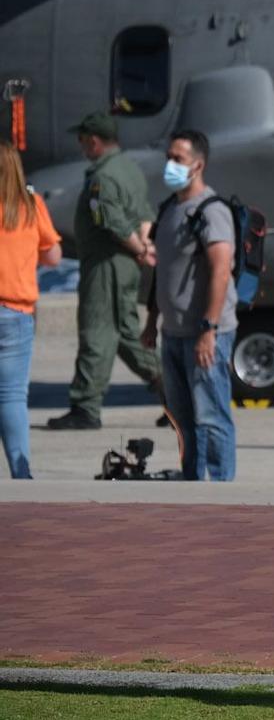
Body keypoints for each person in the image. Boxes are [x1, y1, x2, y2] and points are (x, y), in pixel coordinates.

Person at [47, 112, 163, 432]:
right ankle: (175, 392)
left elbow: (110, 221)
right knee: (126, 335)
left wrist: (138, 248)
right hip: (124, 265)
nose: (81, 146)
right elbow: (144, 214)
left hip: (106, 265)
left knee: (96, 332)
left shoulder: (103, 178)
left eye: (83, 140)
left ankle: (85, 407)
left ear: (95, 141)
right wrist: (143, 245)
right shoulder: (130, 170)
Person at [141, 129, 238, 482]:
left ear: (198, 164)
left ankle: (222, 490)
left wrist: (209, 330)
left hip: (204, 334)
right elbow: (162, 272)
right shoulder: (170, 209)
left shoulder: (211, 212)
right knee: (182, 419)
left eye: (178, 159)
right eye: (169, 157)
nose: (170, 164)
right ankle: (193, 488)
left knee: (211, 416)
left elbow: (220, 271)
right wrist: (152, 321)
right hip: (174, 333)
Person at [1, 145, 63, 478]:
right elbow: (53, 256)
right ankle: (20, 472)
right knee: (11, 396)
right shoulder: (30, 206)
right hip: (17, 311)